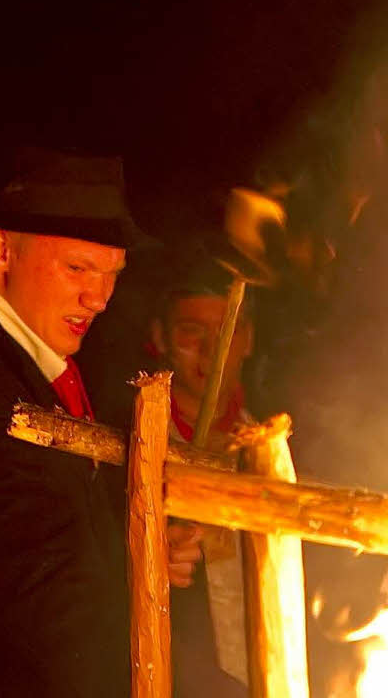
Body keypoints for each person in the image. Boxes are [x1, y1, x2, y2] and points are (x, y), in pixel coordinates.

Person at [0, 147, 200, 697]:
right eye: (78, 268)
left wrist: (140, 551)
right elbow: (51, 610)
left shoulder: (26, 361)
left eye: (113, 273)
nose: (98, 298)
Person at [148, 250, 256, 698]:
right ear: (160, 337)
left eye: (226, 333)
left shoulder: (276, 449)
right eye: (193, 332)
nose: (212, 352)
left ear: (248, 340)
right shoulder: (130, 448)